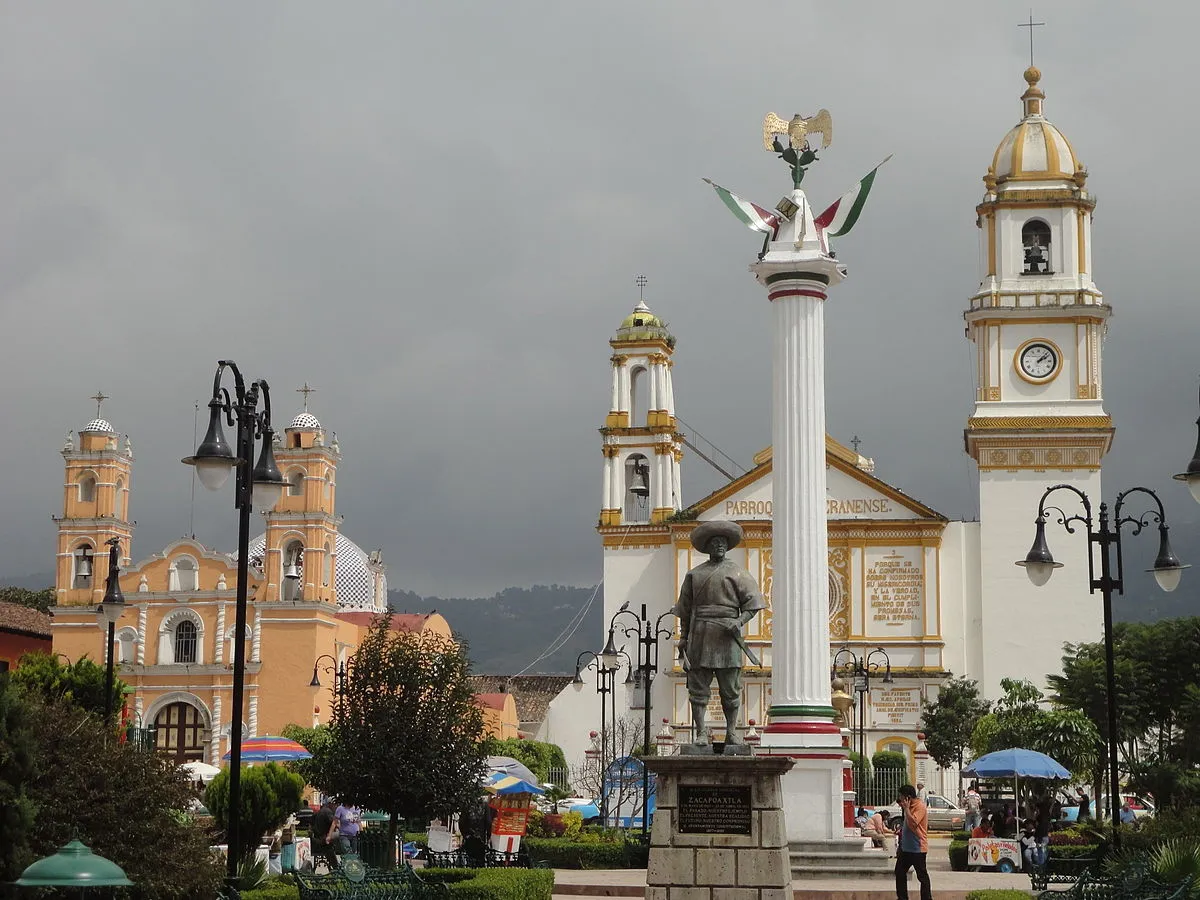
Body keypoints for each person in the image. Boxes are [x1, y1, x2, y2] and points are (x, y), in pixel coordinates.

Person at [673, 521, 766, 746]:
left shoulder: (737, 572)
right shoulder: (694, 575)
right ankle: (702, 733)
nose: (720, 546)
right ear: (708, 546)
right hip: (701, 634)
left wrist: (740, 621)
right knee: (698, 688)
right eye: (715, 542)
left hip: (727, 637)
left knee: (731, 688)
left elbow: (753, 603)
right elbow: (684, 610)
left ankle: (732, 732)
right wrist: (684, 638)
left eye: (723, 542)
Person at [895, 784, 933, 900]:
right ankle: (902, 897)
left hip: (917, 848)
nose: (900, 799)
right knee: (900, 872)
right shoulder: (907, 807)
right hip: (906, 848)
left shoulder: (920, 806)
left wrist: (906, 809)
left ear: (908, 797)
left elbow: (915, 822)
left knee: (922, 876)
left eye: (902, 797)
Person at [310, 798, 339, 872]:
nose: (336, 806)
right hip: (323, 838)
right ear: (330, 804)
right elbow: (335, 824)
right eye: (335, 804)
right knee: (341, 834)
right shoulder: (328, 812)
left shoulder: (321, 811)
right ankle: (340, 861)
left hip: (318, 837)